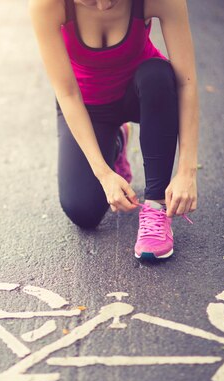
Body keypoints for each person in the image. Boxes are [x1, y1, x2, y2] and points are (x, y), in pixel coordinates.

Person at [28, 0, 199, 259]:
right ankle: (116, 142)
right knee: (83, 211)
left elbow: (186, 83)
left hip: (142, 95)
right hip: (87, 107)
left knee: (158, 75)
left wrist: (187, 172)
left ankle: (155, 207)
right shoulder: (47, 5)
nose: (104, 5)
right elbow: (68, 93)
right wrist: (104, 174)